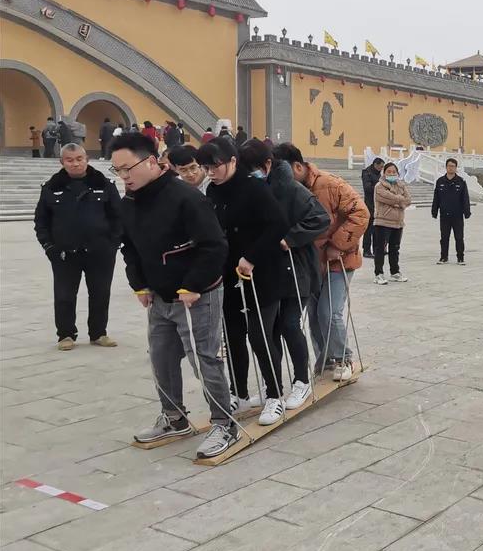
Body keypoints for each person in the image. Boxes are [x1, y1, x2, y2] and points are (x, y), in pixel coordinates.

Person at [110, 132, 238, 457]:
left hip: (197, 295)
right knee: (161, 358)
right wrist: (139, 284)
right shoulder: (129, 202)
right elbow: (130, 248)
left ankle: (225, 423)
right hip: (159, 296)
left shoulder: (186, 198)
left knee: (204, 360)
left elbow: (214, 246)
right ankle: (174, 417)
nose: (124, 176)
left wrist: (193, 285)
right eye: (118, 170)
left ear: (152, 161)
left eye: (128, 168)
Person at [200, 138, 291, 426]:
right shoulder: (213, 190)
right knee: (233, 336)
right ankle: (239, 393)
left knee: (259, 335)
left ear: (232, 161)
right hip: (228, 274)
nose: (211, 173)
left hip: (260, 272)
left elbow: (278, 224)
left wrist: (251, 256)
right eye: (206, 168)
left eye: (215, 166)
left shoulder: (254, 188)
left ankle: (274, 395)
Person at [251, 142, 330, 409]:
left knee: (289, 324)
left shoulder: (292, 189)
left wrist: (290, 237)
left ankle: (301, 381)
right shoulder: (255, 189)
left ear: (268, 165)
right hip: (269, 269)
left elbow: (321, 219)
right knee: (270, 328)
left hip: (298, 268)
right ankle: (273, 386)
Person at [282, 145, 369, 381]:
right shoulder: (289, 190)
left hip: (339, 259)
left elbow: (361, 214)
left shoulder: (329, 184)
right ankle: (326, 359)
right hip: (312, 263)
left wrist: (337, 245)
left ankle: (343, 358)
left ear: (297, 166)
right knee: (314, 316)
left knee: (329, 312)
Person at [33, 143, 122, 351]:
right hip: (65, 253)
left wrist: (113, 244)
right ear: (62, 162)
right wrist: (49, 247)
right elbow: (41, 222)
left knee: (100, 293)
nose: (75, 164)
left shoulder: (104, 184)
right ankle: (65, 335)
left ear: (87, 159)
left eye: (79, 159)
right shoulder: (51, 187)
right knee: (64, 296)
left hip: (100, 252)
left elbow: (118, 216)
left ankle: (98, 333)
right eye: (70, 160)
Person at [372, 162, 411, 285]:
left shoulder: (401, 185)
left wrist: (397, 201)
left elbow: (408, 200)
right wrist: (400, 200)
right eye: (389, 171)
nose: (391, 173)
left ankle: (395, 272)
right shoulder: (379, 186)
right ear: (384, 173)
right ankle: (378, 274)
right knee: (380, 249)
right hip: (383, 221)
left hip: (398, 222)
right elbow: (386, 198)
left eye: (394, 171)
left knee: (395, 248)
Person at [431, 157, 471, 265]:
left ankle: (460, 258)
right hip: (444, 215)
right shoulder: (440, 181)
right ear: (446, 167)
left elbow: (465, 198)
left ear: (456, 168)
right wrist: (434, 211)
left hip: (457, 215)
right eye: (449, 166)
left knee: (459, 237)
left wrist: (467, 212)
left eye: (453, 166)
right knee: (444, 237)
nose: (451, 168)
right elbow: (436, 198)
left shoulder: (461, 181)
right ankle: (444, 257)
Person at [361, 157, 384, 258]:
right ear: (375, 164)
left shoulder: (379, 174)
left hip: (378, 204)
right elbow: (367, 188)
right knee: (369, 229)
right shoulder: (367, 173)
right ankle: (366, 250)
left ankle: (376, 249)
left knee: (377, 229)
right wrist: (379, 188)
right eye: (381, 167)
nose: (381, 169)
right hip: (369, 204)